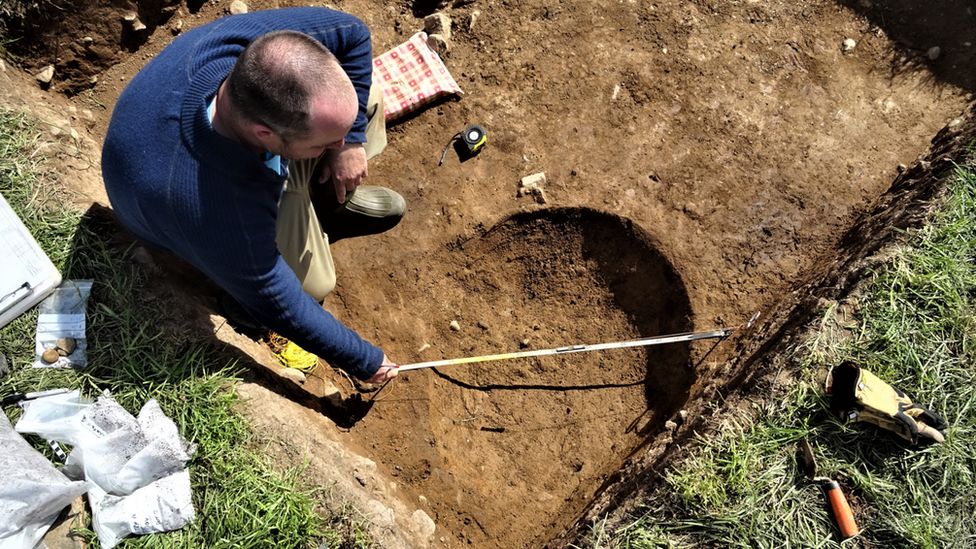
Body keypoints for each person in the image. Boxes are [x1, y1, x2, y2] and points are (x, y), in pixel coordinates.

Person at [101, 7, 402, 384]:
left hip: (244, 154)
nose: (337, 144)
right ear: (265, 135)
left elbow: (353, 33)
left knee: (363, 96)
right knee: (315, 286)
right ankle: (236, 304)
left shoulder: (251, 53)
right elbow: (277, 298)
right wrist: (364, 359)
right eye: (327, 144)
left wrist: (349, 141)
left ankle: (329, 196)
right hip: (187, 218)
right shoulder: (216, 210)